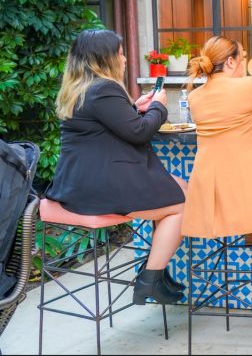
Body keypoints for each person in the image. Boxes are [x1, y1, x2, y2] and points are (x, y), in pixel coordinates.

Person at [48, 29, 186, 305]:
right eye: (121, 54)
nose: (124, 59)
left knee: (181, 187)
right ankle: (150, 278)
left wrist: (134, 107)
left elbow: (106, 124)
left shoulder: (80, 88)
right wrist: (159, 107)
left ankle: (156, 272)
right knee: (186, 202)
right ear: (105, 59)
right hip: (101, 188)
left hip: (79, 186)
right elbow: (138, 133)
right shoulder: (104, 88)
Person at [181, 37, 252, 241]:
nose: (243, 64)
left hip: (212, 198)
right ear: (230, 62)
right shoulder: (246, 87)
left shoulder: (194, 97)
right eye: (241, 59)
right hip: (251, 192)